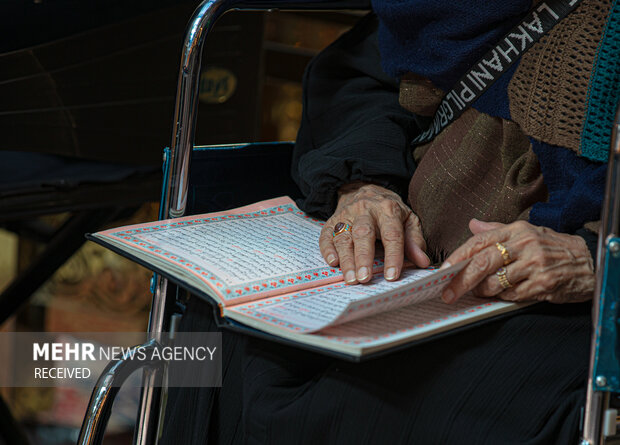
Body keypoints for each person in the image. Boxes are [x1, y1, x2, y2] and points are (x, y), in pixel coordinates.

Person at [161, 1, 617, 443]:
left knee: (367, 402)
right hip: (413, 249)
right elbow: (363, 78)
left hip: (565, 280)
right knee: (223, 330)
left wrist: (591, 260)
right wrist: (363, 184)